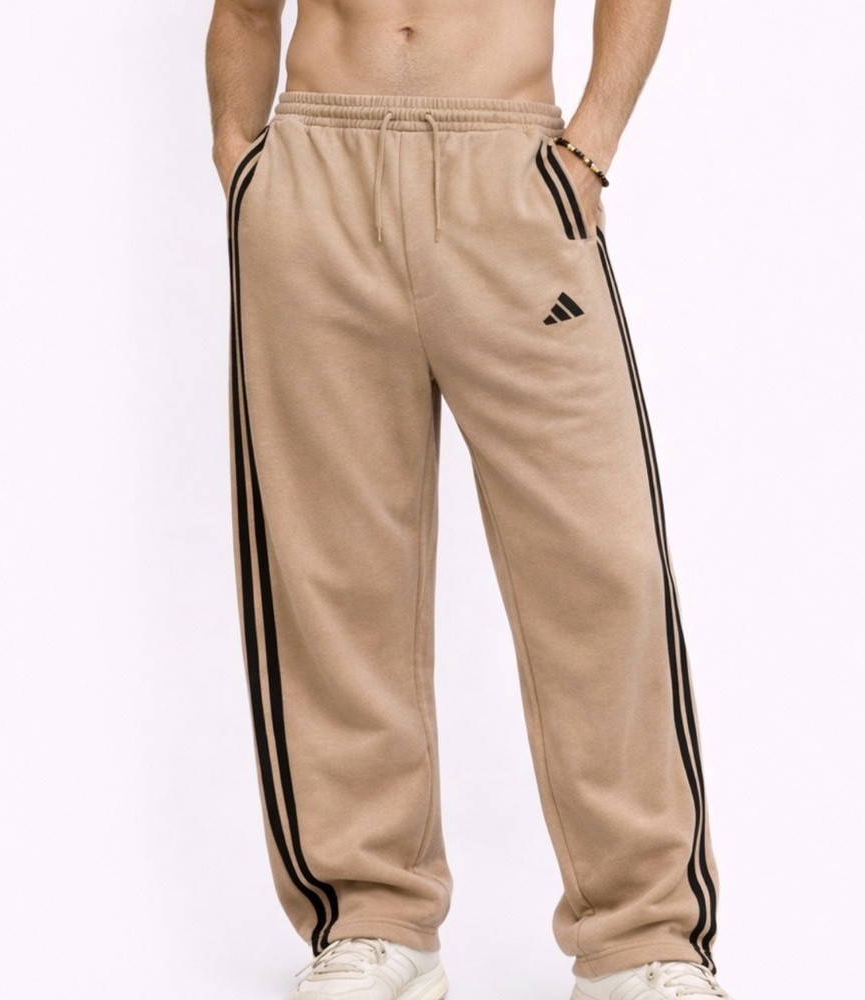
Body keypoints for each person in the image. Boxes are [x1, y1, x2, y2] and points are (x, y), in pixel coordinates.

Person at [205, 1, 734, 998]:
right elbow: (244, 9)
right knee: (330, 569)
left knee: (601, 564)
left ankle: (641, 938)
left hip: (511, 170)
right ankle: (373, 921)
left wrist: (592, 143)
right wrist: (243, 165)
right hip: (317, 169)